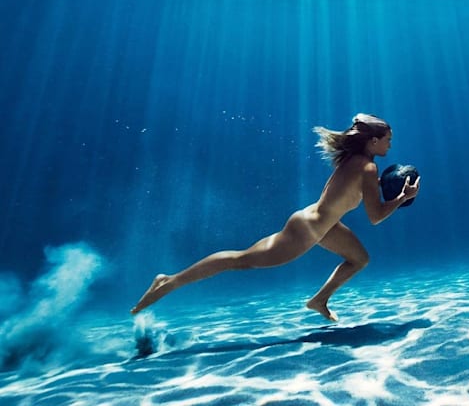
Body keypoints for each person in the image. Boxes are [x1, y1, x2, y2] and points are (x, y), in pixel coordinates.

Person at [130, 113, 420, 321]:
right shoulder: (367, 168)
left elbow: (352, 190)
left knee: (360, 259)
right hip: (307, 230)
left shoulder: (359, 162)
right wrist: (402, 198)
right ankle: (170, 281)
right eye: (388, 140)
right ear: (372, 142)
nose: (390, 146)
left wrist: (388, 189)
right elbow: (376, 217)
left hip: (321, 223)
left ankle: (319, 300)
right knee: (241, 260)